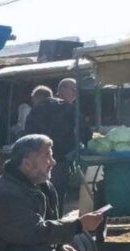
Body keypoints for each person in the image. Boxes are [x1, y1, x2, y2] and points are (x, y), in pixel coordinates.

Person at [24, 79, 88, 207]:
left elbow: (27, 133)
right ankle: (55, 221)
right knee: (57, 194)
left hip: (37, 159)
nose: (75, 94)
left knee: (40, 193)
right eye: (73, 90)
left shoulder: (36, 109)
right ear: (61, 90)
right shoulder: (68, 108)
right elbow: (85, 131)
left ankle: (42, 221)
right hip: (60, 159)